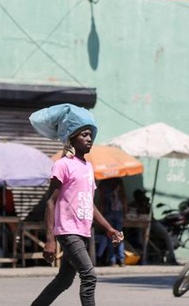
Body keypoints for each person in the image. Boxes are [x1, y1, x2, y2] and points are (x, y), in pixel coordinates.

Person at [28, 104, 122, 306]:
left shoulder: (88, 167)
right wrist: (50, 239)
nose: (89, 139)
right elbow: (51, 202)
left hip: (83, 231)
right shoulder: (63, 165)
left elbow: (90, 204)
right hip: (67, 231)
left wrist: (109, 229)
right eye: (84, 135)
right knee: (89, 276)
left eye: (90, 135)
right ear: (71, 138)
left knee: (64, 280)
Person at [97, 178, 126, 267]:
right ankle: (121, 259)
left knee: (110, 237)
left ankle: (112, 260)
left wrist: (100, 216)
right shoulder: (119, 182)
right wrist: (125, 212)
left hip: (108, 213)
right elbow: (124, 199)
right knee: (119, 235)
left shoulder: (103, 184)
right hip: (118, 212)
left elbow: (102, 201)